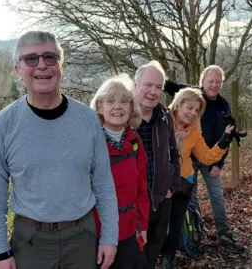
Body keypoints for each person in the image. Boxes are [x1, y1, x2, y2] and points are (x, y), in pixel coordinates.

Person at [0, 30, 118, 269]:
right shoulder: (4, 124)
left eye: (50, 57)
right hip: (31, 243)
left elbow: (104, 182)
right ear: (18, 71)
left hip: (82, 239)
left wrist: (109, 237)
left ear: (61, 66)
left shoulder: (87, 119)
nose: (42, 65)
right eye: (31, 59)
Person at [160, 87, 234, 268]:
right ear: (178, 104)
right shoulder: (160, 123)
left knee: (176, 225)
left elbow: (206, 157)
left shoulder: (194, 132)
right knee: (159, 224)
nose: (192, 113)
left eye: (196, 110)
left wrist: (224, 139)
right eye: (189, 107)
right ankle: (156, 254)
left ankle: (168, 260)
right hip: (160, 184)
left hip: (183, 183)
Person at [90, 74, 150, 269]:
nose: (118, 106)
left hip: (129, 230)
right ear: (99, 106)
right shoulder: (90, 143)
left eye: (125, 101)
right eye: (110, 101)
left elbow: (141, 188)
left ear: (132, 108)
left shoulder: (134, 142)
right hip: (96, 234)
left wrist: (143, 226)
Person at [132, 60, 181, 269]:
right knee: (131, 258)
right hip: (131, 205)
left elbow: (173, 151)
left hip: (161, 202)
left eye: (159, 87)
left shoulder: (164, 117)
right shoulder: (120, 116)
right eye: (148, 85)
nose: (153, 92)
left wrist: (172, 185)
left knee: (151, 255)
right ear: (135, 84)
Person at [191, 65, 245, 252]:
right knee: (191, 197)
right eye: (210, 81)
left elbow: (228, 135)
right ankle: (195, 235)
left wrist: (220, 163)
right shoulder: (193, 99)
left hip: (212, 158)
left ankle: (224, 234)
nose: (214, 85)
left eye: (218, 81)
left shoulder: (224, 105)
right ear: (202, 82)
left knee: (217, 196)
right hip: (189, 157)